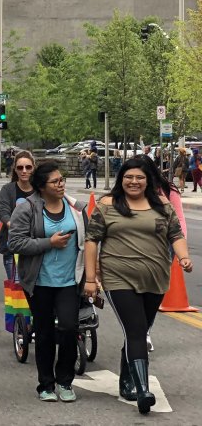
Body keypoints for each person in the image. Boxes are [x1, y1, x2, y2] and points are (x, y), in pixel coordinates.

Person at [85, 158, 192, 415]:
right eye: (129, 177)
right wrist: (91, 279)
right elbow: (91, 241)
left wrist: (183, 256)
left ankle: (126, 379)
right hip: (118, 277)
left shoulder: (162, 205)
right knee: (135, 330)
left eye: (140, 178)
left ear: (149, 180)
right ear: (121, 179)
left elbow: (175, 234)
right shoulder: (107, 205)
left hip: (155, 277)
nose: (134, 182)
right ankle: (142, 389)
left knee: (139, 328)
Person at [8, 161, 87, 403]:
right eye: (55, 181)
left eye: (62, 179)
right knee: (43, 333)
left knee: (69, 327)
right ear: (42, 186)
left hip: (69, 281)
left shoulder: (75, 208)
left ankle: (65, 381)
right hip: (40, 281)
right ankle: (46, 384)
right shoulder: (27, 208)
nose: (61, 184)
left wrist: (93, 277)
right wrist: (48, 243)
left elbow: (90, 241)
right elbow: (15, 243)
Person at [0, 151, 36, 290]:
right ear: (15, 169)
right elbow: (4, 214)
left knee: (36, 292)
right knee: (18, 291)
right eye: (20, 168)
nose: (24, 171)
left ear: (33, 168)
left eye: (28, 167)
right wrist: (18, 229)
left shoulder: (40, 190)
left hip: (36, 249)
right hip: (13, 248)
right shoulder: (8, 189)